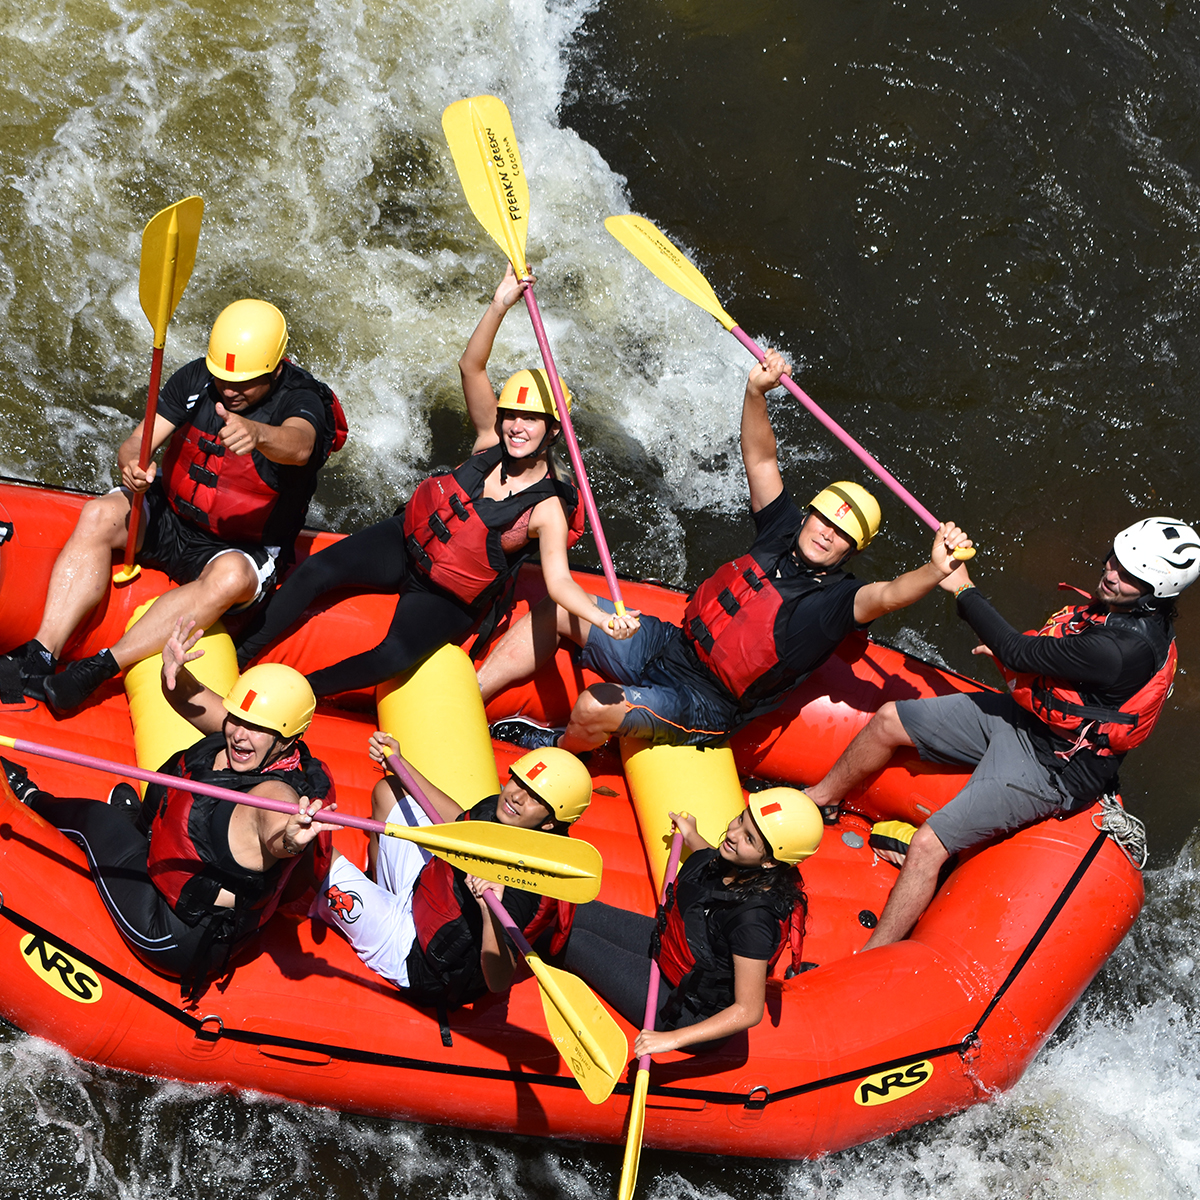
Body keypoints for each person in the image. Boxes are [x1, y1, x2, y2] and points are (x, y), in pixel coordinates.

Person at [483, 350, 972, 751]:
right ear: (809, 515)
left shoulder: (835, 603)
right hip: (670, 644)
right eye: (823, 519)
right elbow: (760, 459)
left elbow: (888, 595)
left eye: (841, 535)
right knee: (558, 610)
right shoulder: (781, 531)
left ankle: (556, 752)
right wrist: (755, 392)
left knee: (593, 705)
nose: (825, 534)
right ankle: (474, 694)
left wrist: (934, 569)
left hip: (707, 701)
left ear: (851, 550)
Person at [234, 266, 638, 695]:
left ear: (554, 430)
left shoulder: (547, 508)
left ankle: (296, 696)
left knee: (392, 655)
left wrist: (602, 618)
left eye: (532, 420)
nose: (517, 427)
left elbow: (558, 582)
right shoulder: (489, 440)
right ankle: (241, 655)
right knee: (317, 569)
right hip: (404, 543)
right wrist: (500, 303)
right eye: (511, 415)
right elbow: (471, 366)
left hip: (447, 596)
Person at [804, 516, 1200, 951]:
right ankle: (820, 799)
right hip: (1027, 720)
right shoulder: (1121, 610)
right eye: (1116, 561)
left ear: (1155, 592)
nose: (1111, 574)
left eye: (1129, 576)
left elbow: (1017, 650)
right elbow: (1041, 658)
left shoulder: (1123, 648)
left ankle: (872, 957)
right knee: (889, 719)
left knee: (928, 843)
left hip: (1055, 765)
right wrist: (1019, 664)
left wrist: (962, 586)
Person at [1, 298, 344, 712]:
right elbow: (135, 443)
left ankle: (97, 668)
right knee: (101, 514)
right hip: (171, 515)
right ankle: (41, 653)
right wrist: (132, 467)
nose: (230, 390)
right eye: (223, 378)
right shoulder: (200, 376)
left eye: (244, 383)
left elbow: (301, 444)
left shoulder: (302, 399)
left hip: (238, 547)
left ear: (274, 368)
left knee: (231, 579)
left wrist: (258, 434)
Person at [0, 617, 337, 999]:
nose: (240, 733)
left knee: (97, 819)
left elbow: (278, 829)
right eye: (238, 720)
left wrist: (291, 841)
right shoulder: (247, 739)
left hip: (174, 930)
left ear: (287, 739)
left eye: (256, 728)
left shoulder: (275, 797)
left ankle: (26, 796)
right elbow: (190, 699)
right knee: (176, 773)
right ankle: (138, 826)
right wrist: (172, 671)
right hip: (169, 867)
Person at [315, 735, 592, 1008]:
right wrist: (401, 764)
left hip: (416, 958)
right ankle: (378, 890)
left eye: (534, 797)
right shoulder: (503, 813)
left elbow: (499, 980)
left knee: (316, 855)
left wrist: (488, 910)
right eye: (519, 780)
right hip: (421, 894)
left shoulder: (526, 885)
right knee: (389, 790)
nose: (516, 796)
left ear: (548, 824)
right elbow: (460, 823)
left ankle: (369, 914)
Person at [563, 789, 821, 1056]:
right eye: (741, 819)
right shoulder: (743, 867)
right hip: (669, 949)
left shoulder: (752, 923)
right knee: (574, 911)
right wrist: (690, 835)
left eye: (748, 838)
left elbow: (748, 1011)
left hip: (685, 1006)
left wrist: (671, 1039)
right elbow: (711, 860)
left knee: (575, 942)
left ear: (769, 862)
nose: (732, 833)